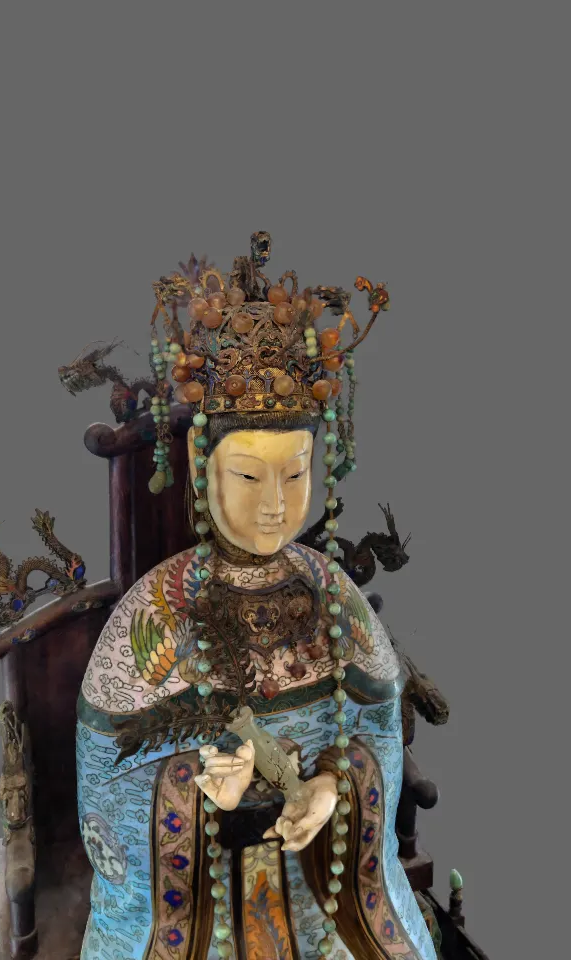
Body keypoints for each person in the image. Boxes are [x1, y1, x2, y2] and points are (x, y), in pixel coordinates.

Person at [76, 236, 436, 960]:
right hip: (201, 909)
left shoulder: (333, 596)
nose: (275, 504)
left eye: (295, 474)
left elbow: (379, 734)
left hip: (322, 891)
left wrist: (335, 788)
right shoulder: (153, 615)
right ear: (200, 466)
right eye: (248, 476)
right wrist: (198, 791)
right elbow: (104, 801)